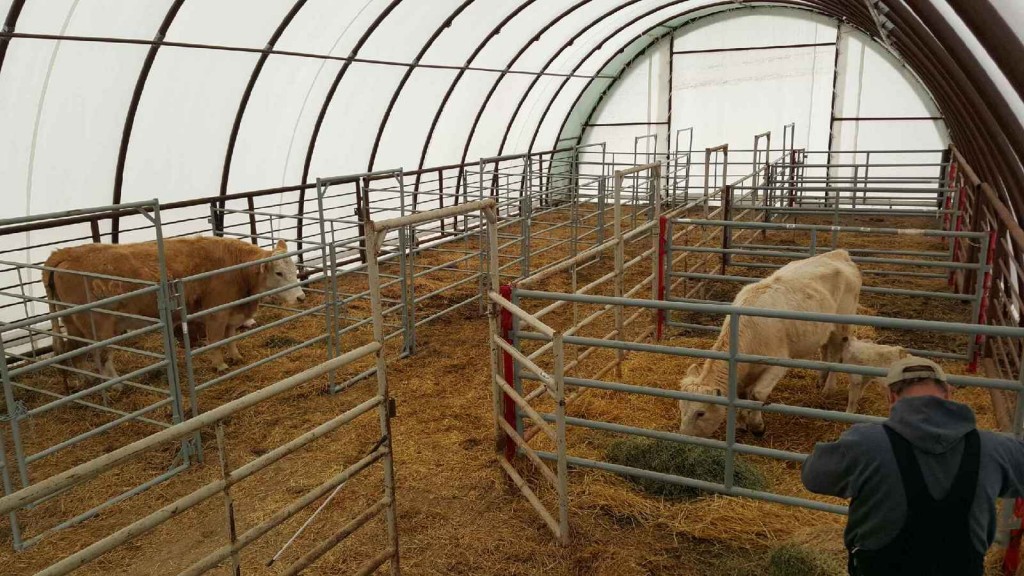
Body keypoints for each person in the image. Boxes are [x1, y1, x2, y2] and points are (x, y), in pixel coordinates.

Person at [801, 356, 1024, 576]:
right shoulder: (994, 449)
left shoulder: (865, 444)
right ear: (948, 393)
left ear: (890, 396)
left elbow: (813, 476)